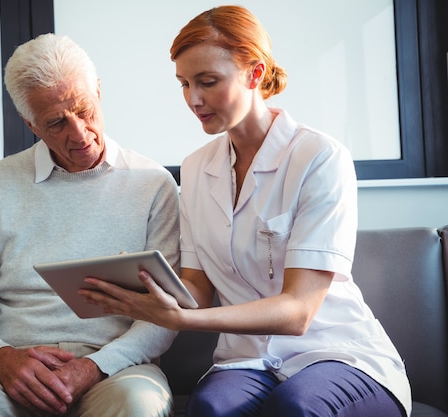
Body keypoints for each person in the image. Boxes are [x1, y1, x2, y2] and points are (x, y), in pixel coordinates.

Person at [80, 5, 411, 417]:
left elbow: (298, 312)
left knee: (297, 406)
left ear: (255, 74)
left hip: (335, 352)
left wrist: (181, 320)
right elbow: (197, 286)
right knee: (211, 408)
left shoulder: (319, 157)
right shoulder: (198, 168)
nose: (193, 100)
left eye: (208, 82)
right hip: (247, 359)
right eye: (184, 84)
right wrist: (148, 292)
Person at [0, 33, 180, 417]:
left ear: (99, 92)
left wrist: (92, 367)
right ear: (31, 124)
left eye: (84, 110)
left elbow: (164, 317)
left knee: (138, 405)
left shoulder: (154, 184)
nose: (79, 134)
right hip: (10, 369)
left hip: (115, 371)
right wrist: (3, 360)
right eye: (56, 123)